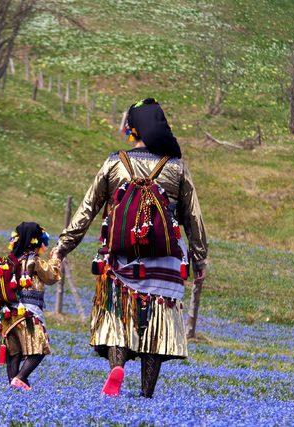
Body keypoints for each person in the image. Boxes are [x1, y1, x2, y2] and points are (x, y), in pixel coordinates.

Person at [51, 98, 208, 398]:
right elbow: (194, 219)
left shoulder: (114, 163)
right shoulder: (176, 168)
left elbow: (87, 210)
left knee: (117, 319)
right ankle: (146, 393)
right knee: (156, 330)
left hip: (119, 258)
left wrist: (62, 248)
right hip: (165, 263)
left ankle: (116, 367)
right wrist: (200, 259)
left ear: (131, 130)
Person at [0, 222, 61, 390]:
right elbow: (52, 277)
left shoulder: (6, 262)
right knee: (40, 349)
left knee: (14, 353)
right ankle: (20, 378)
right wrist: (56, 258)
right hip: (28, 313)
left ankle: (14, 387)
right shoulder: (33, 261)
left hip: (7, 314)